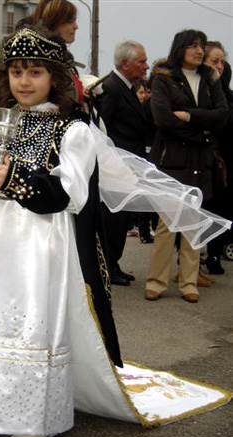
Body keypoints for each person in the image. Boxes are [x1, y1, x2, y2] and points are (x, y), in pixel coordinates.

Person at [0, 27, 231, 437]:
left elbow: (71, 193)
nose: (24, 82)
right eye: (15, 72)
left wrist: (16, 179)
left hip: (45, 243)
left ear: (55, 78)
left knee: (36, 322)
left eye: (34, 72)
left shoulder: (75, 130)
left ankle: (35, 415)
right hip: (0, 242)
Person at [145, 30, 228, 303]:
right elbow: (163, 119)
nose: (199, 50)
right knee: (167, 224)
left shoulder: (210, 78)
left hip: (201, 162)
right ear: (180, 48)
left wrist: (190, 116)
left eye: (202, 46)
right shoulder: (164, 77)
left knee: (193, 223)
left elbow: (222, 115)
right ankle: (156, 282)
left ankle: (188, 283)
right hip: (171, 160)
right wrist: (201, 130)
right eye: (193, 45)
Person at [100, 40, 149, 286]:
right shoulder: (111, 87)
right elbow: (102, 128)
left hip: (127, 166)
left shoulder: (127, 86)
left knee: (121, 220)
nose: (146, 66)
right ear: (125, 63)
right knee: (114, 221)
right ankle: (108, 265)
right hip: (116, 167)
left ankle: (113, 263)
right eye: (141, 62)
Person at [203, 41, 233, 274]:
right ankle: (192, 262)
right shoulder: (200, 88)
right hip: (204, 158)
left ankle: (214, 254)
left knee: (222, 209)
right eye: (215, 61)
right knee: (204, 208)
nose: (220, 66)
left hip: (226, 157)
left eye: (222, 61)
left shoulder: (225, 91)